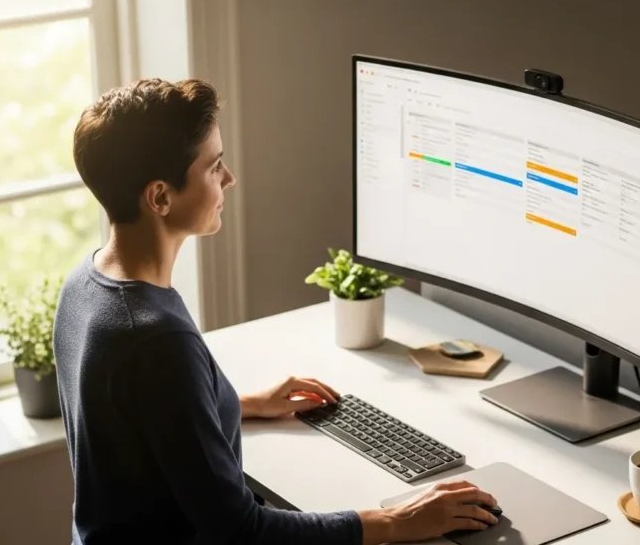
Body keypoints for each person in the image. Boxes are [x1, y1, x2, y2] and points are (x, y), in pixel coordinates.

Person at [53, 78, 499, 544]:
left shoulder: (87, 285)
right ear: (161, 197)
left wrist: (237, 405)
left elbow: (138, 423)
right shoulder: (156, 337)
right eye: (214, 167)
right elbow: (243, 532)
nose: (229, 179)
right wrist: (397, 521)